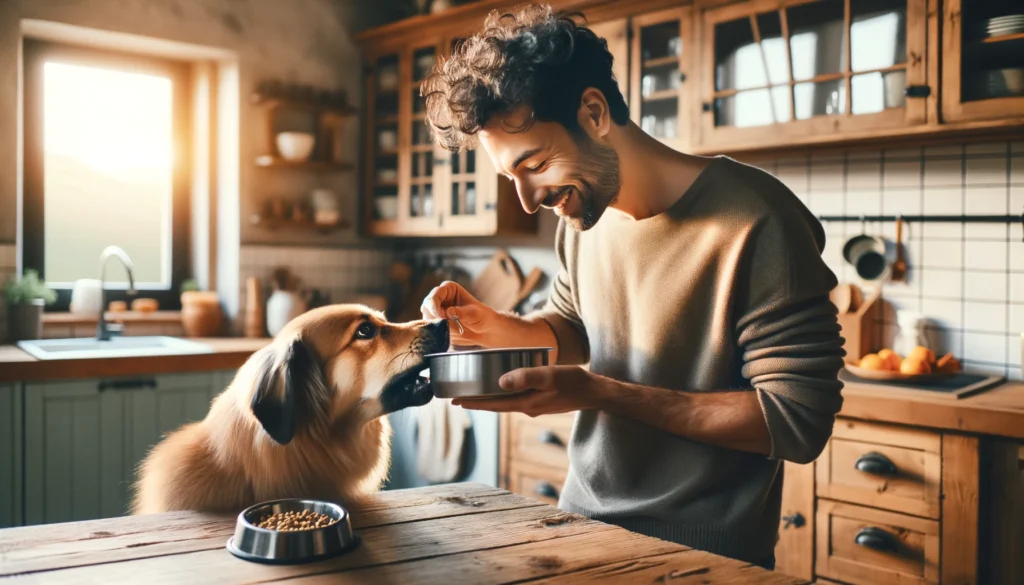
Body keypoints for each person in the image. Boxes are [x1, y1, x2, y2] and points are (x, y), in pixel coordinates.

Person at [419, 4, 845, 570]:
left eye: (537, 163)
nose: (528, 199)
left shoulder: (757, 220)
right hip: (578, 528)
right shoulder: (584, 218)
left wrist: (600, 393)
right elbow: (574, 329)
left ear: (593, 112)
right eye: (511, 177)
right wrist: (500, 326)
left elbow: (796, 422)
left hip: (704, 555)